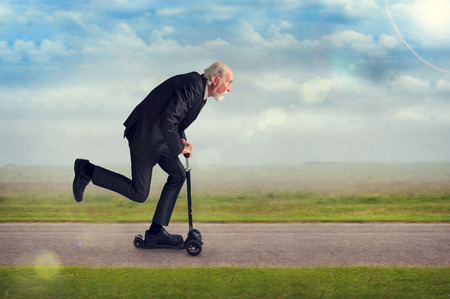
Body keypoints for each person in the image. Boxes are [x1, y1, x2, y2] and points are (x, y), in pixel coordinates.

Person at [73, 62, 233, 247]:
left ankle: (155, 233)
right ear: (215, 78)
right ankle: (86, 170)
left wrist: (182, 140)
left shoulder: (198, 89)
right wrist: (180, 148)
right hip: (146, 134)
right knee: (138, 193)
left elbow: (175, 119)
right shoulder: (193, 86)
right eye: (229, 82)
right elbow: (169, 119)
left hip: (161, 135)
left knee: (178, 175)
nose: (229, 88)